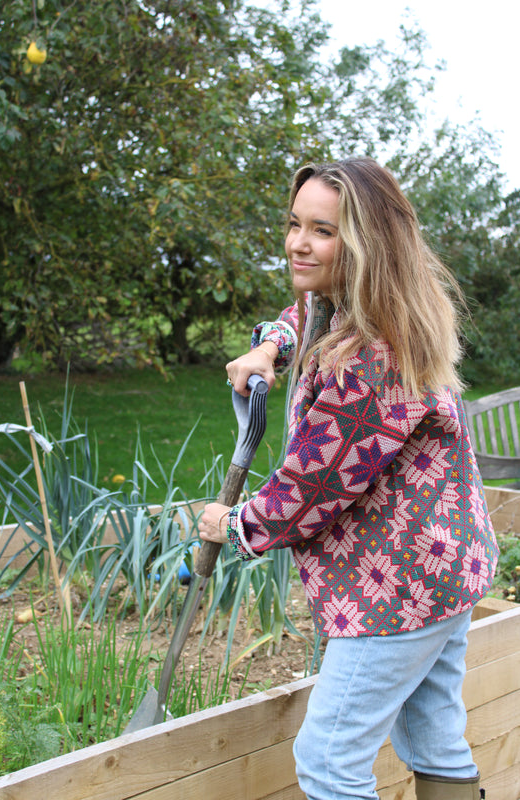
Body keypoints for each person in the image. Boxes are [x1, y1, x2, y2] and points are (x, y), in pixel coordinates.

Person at [198, 157, 498, 800]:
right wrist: (270, 346)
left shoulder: (375, 354)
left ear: (364, 245)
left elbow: (311, 489)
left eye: (322, 231)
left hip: (397, 585)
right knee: (433, 738)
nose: (298, 243)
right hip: (441, 567)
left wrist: (234, 524)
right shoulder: (351, 305)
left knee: (329, 758)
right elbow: (300, 309)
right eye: (293, 223)